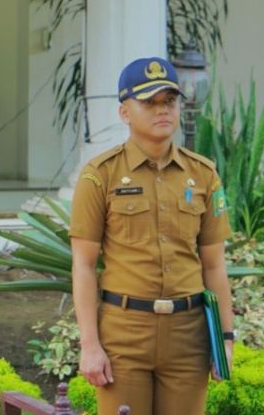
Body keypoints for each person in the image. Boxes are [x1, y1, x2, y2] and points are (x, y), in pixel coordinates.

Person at [69, 56, 235, 415]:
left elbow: (215, 265)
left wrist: (225, 338)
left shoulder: (203, 174)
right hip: (125, 333)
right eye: (149, 102)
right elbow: (83, 265)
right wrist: (90, 345)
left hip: (188, 335)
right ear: (124, 112)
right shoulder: (100, 176)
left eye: (170, 101)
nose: (163, 110)